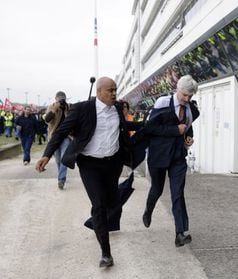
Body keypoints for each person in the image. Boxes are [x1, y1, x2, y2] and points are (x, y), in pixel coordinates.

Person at [35, 77, 144, 268]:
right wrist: (46, 154)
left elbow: (125, 128)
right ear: (99, 92)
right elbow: (60, 132)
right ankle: (106, 254)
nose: (114, 94)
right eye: (110, 90)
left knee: (112, 202)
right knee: (99, 205)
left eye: (115, 90)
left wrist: (150, 125)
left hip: (112, 164)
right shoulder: (82, 109)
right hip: (90, 165)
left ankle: (98, 222)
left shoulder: (118, 108)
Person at [142, 75, 200, 247]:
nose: (187, 99)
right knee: (157, 189)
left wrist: (189, 138)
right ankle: (148, 210)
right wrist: (175, 130)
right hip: (158, 156)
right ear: (177, 89)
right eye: (184, 95)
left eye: (190, 96)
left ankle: (180, 233)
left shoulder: (191, 109)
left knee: (178, 193)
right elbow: (150, 128)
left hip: (177, 157)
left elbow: (188, 129)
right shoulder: (162, 103)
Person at [44, 91, 71, 189]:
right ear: (55, 98)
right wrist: (55, 109)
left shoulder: (69, 107)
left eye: (63, 98)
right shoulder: (51, 107)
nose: (61, 100)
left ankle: (61, 179)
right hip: (54, 137)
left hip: (66, 137)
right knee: (58, 159)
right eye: (59, 98)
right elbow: (47, 119)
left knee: (64, 157)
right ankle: (61, 174)